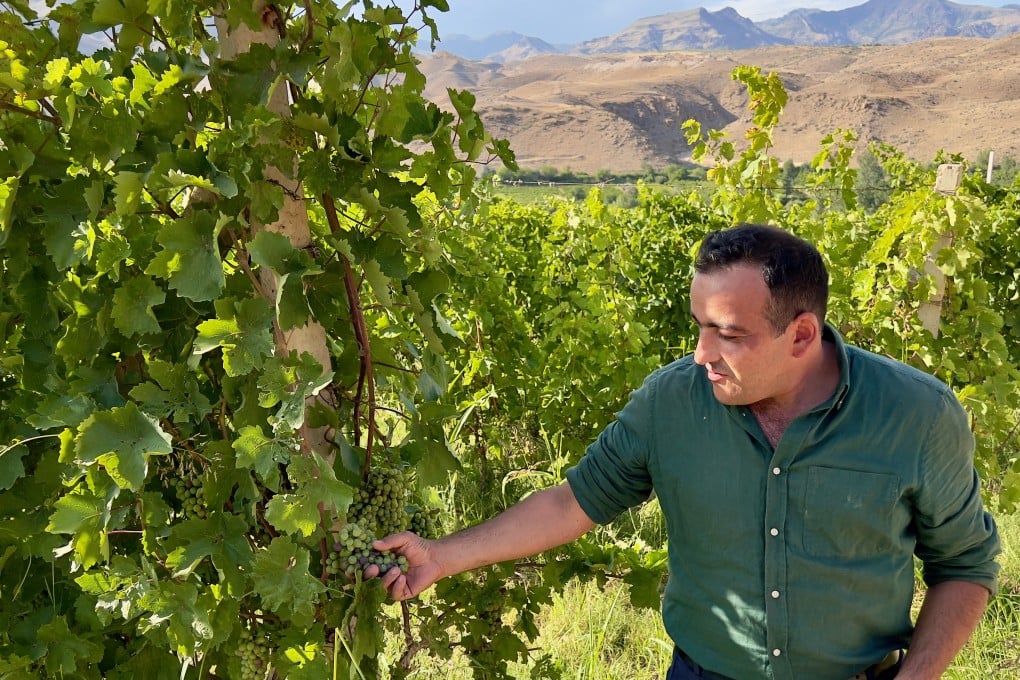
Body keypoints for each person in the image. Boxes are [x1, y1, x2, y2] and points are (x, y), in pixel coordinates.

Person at [369, 224, 1001, 680]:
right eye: (699, 324)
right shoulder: (670, 401)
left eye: (727, 333)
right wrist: (442, 557)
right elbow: (571, 503)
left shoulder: (916, 416)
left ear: (802, 333)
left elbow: (967, 565)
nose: (702, 353)